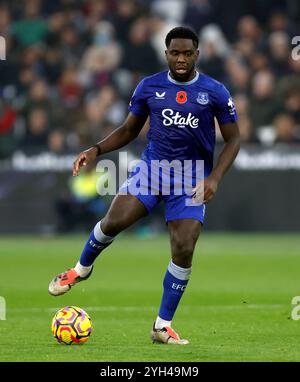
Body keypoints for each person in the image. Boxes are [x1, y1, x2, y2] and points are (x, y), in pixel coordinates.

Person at [49, 27, 240, 345]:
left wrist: (215, 177)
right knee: (113, 222)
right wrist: (95, 150)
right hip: (153, 171)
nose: (180, 59)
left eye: (187, 53)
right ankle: (81, 269)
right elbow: (128, 129)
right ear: (166, 54)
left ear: (196, 54)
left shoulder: (215, 91)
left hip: (191, 177)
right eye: (174, 53)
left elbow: (234, 139)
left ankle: (162, 326)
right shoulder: (149, 87)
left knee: (185, 246)